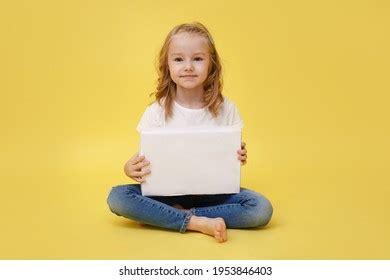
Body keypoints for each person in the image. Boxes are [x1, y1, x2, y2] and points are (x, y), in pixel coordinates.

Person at [107, 22, 273, 242]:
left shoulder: (227, 109)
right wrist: (130, 168)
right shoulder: (156, 112)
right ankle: (198, 222)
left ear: (211, 65)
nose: (188, 67)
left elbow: (230, 157)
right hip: (164, 195)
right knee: (118, 197)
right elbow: (147, 160)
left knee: (260, 208)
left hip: (213, 195)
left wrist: (239, 156)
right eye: (178, 59)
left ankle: (170, 217)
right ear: (167, 66)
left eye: (197, 58)